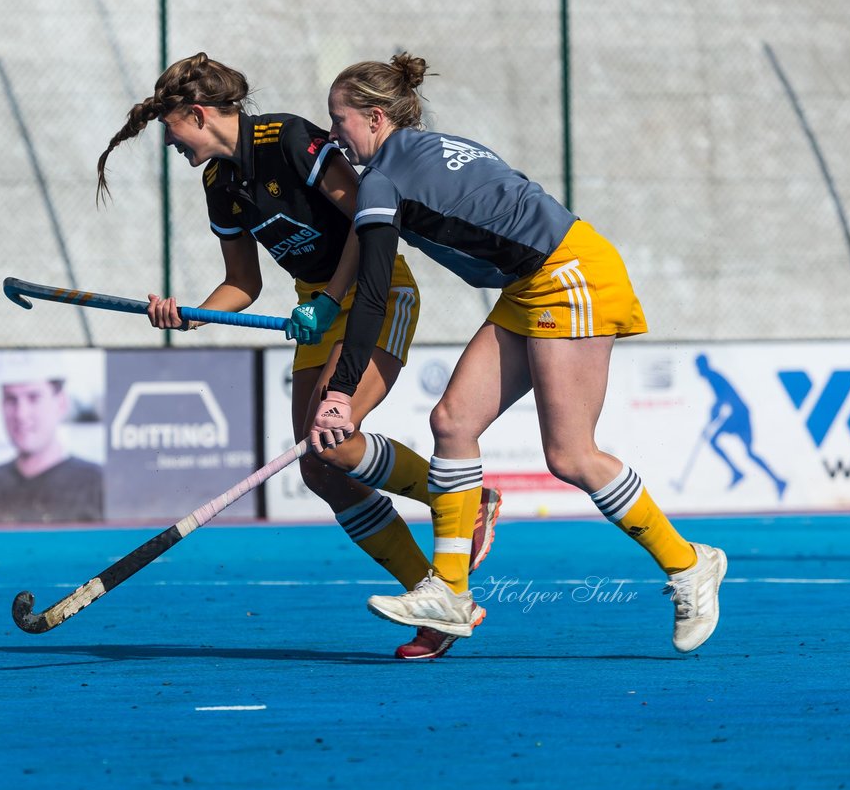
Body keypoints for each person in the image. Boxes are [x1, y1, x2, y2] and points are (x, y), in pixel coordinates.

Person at [310, 53, 728, 654]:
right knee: (452, 422)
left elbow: (374, 293)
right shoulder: (435, 145)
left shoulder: (381, 180)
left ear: (375, 119)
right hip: (532, 281)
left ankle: (689, 563)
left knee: (570, 455)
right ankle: (450, 592)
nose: (332, 136)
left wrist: (341, 392)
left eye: (339, 120)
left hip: (569, 273)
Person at [97, 52, 502, 659]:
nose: (170, 144)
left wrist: (331, 298)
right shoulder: (218, 183)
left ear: (197, 113)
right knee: (319, 470)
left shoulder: (285, 138)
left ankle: (461, 497)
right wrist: (193, 313)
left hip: (375, 293)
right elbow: (244, 282)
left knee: (332, 440)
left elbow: (369, 223)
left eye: (171, 129)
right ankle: (440, 599)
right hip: (316, 309)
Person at [0, 351, 104, 524]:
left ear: (61, 403)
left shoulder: (97, 484)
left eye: (33, 398)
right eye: (11, 399)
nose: (21, 414)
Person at [694, 353, 787, 498]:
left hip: (740, 415)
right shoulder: (712, 377)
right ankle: (741, 473)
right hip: (737, 414)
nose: (697, 371)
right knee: (731, 446)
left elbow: (722, 401)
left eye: (698, 367)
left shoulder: (714, 377)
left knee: (747, 451)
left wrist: (711, 421)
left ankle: (775, 480)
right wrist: (712, 419)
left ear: (703, 366)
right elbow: (720, 403)